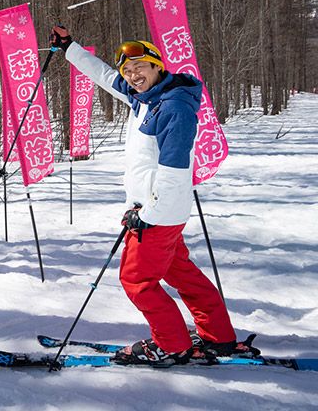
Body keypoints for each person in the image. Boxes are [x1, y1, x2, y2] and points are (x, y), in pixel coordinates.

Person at [50, 26, 237, 365]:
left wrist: (148, 213)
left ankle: (171, 345)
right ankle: (219, 337)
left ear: (157, 66)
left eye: (140, 67)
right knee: (181, 273)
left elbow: (175, 173)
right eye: (129, 70)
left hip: (156, 214)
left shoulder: (172, 109)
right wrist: (70, 48)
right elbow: (106, 77)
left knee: (137, 280)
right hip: (161, 212)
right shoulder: (145, 97)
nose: (133, 75)